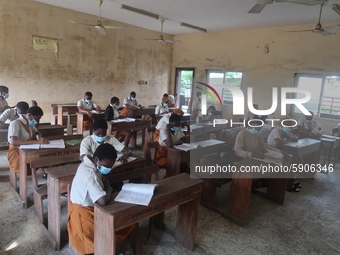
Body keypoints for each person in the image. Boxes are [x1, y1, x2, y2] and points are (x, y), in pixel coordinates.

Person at [68, 143, 142, 255]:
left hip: (91, 209)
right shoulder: (89, 173)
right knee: (129, 223)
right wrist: (108, 187)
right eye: (107, 166)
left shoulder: (89, 164)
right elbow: (102, 201)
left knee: (132, 221)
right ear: (97, 159)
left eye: (110, 166)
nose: (108, 169)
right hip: (84, 216)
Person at [7, 106, 49, 174]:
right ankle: (46, 172)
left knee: (44, 156)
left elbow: (37, 132)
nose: (36, 122)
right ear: (29, 115)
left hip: (27, 148)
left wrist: (39, 136)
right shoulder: (15, 123)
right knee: (39, 158)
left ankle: (47, 173)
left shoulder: (29, 124)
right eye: (36, 119)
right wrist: (37, 141)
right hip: (16, 151)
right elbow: (14, 141)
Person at [267, 122, 301, 192]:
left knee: (299, 159)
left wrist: (290, 137)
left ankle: (291, 180)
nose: (289, 129)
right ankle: (287, 184)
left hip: (280, 150)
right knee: (289, 160)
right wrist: (288, 139)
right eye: (287, 127)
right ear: (282, 125)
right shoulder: (276, 131)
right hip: (272, 150)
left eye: (290, 127)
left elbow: (296, 138)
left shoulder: (285, 132)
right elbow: (279, 143)